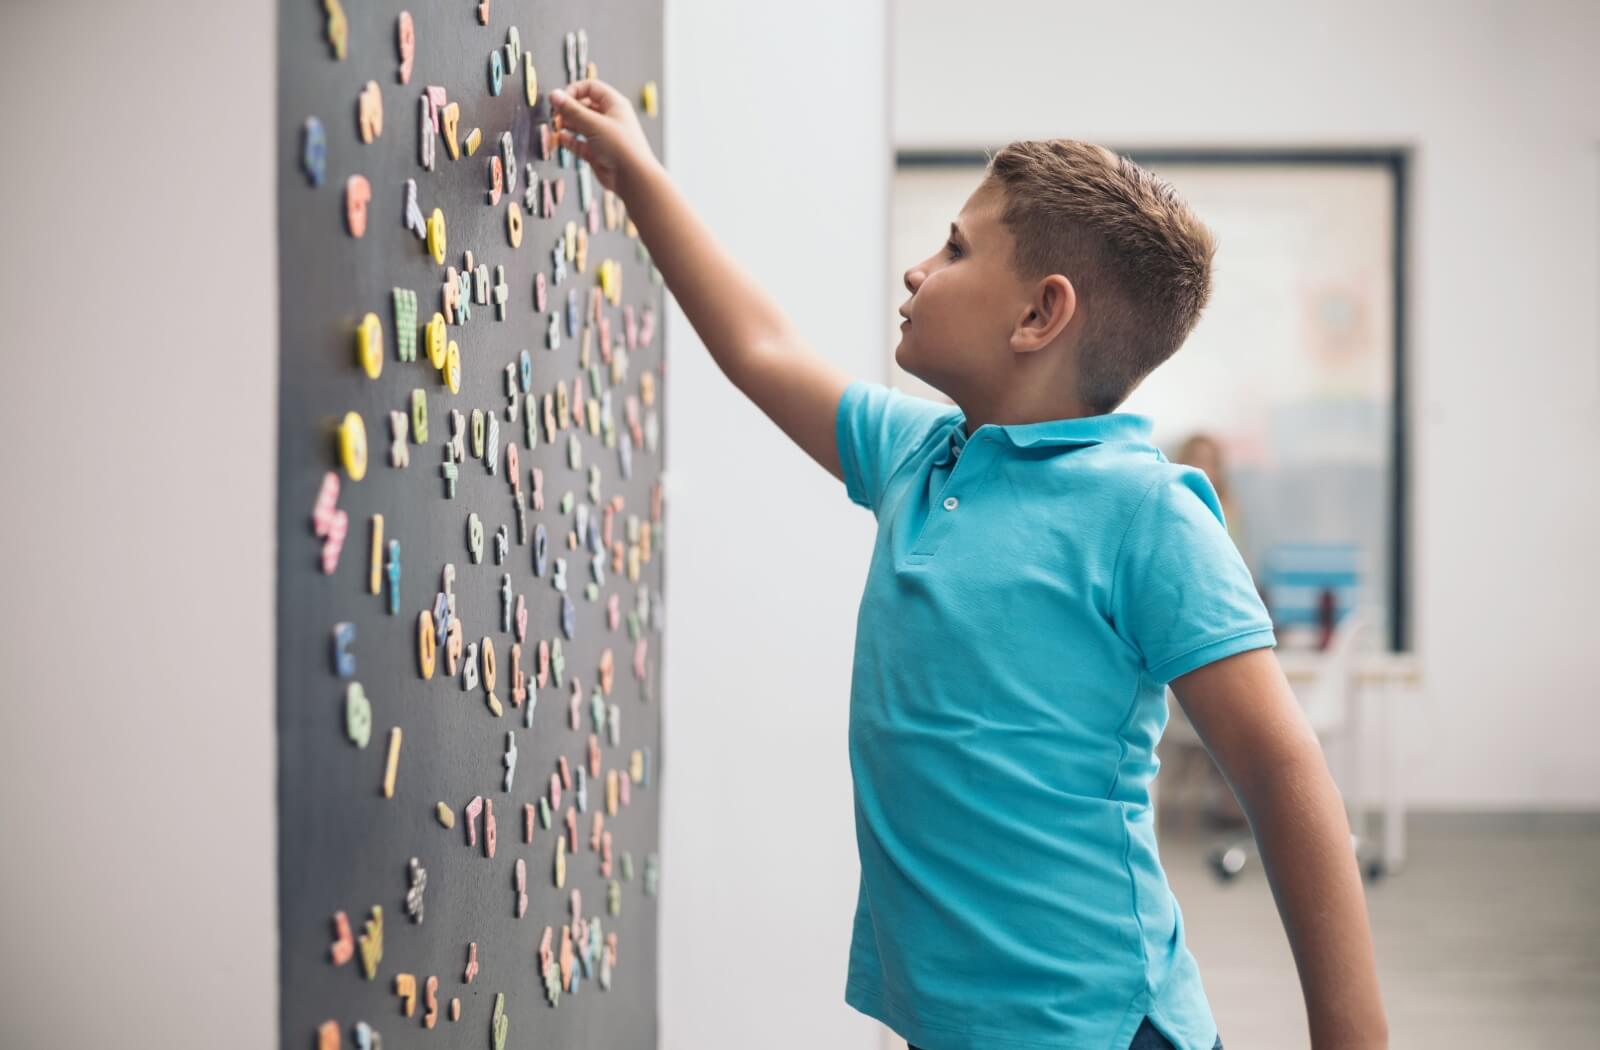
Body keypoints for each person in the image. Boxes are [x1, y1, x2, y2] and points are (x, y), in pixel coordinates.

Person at [548, 82, 1387, 1050]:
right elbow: (760, 347)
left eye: (952, 249)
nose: (916, 271)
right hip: (946, 1023)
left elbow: (1282, 772)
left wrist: (1350, 1040)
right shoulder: (916, 457)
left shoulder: (1144, 511)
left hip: (1095, 1026)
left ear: (1039, 313)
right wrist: (641, 179)